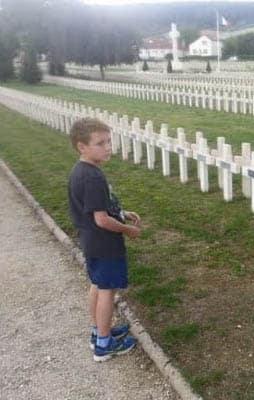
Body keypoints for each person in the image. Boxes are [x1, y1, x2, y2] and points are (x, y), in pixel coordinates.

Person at [67, 118, 140, 362]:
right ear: (82, 146)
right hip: (104, 243)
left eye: (109, 141)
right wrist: (126, 229)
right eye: (100, 143)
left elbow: (99, 208)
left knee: (97, 285)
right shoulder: (93, 177)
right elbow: (101, 219)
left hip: (90, 241)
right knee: (108, 291)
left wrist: (122, 212)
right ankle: (104, 345)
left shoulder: (81, 170)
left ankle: (99, 330)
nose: (108, 147)